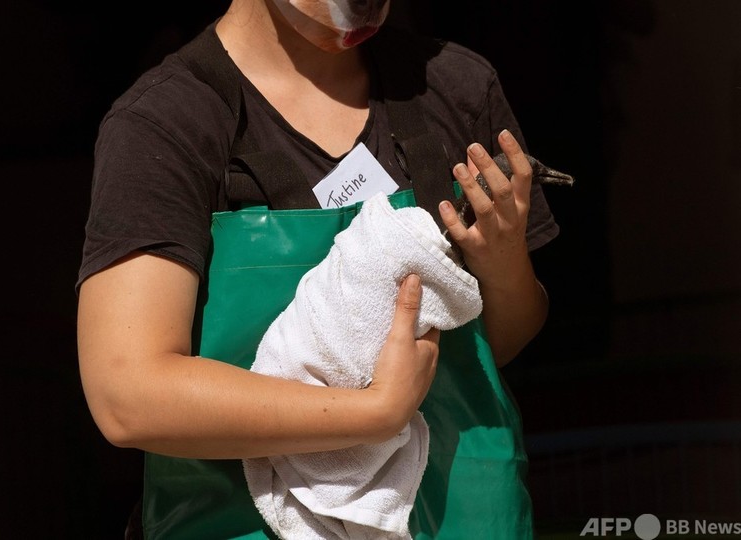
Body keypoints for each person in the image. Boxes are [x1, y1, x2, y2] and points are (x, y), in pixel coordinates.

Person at [76, 0, 560, 538]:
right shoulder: (166, 124)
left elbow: (501, 342)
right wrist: (374, 414)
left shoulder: (454, 86)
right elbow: (128, 397)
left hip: (462, 516)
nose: (362, 11)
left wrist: (502, 264)